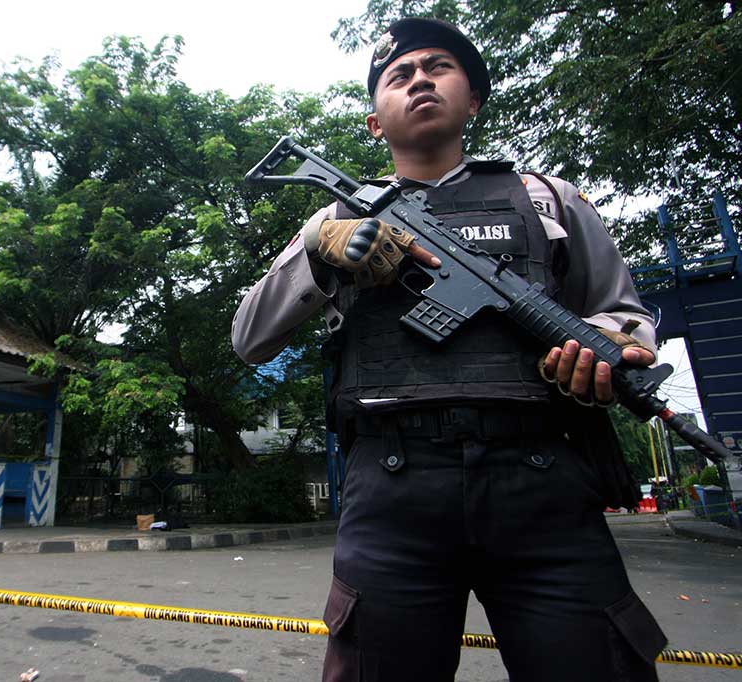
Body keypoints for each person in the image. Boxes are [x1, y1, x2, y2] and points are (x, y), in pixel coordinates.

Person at [232, 17, 667, 682]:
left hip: (542, 480)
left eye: (437, 67)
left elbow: (623, 313)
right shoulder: (333, 217)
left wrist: (611, 345)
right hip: (392, 483)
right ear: (376, 122)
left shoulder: (547, 199)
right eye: (398, 76)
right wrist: (322, 258)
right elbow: (248, 336)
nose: (418, 80)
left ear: (473, 101)